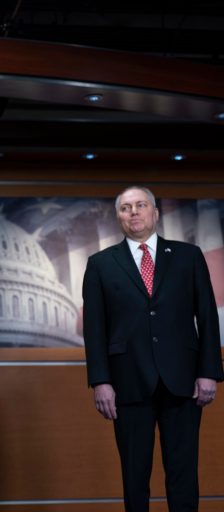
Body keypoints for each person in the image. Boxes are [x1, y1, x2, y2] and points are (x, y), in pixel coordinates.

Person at [83, 186, 223, 512]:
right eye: (126, 208)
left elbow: (206, 316)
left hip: (183, 381)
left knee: (183, 473)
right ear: (117, 216)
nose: (134, 212)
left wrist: (208, 372)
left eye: (141, 205)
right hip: (127, 383)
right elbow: (95, 329)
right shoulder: (101, 264)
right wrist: (100, 381)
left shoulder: (189, 256)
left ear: (155, 213)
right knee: (134, 476)